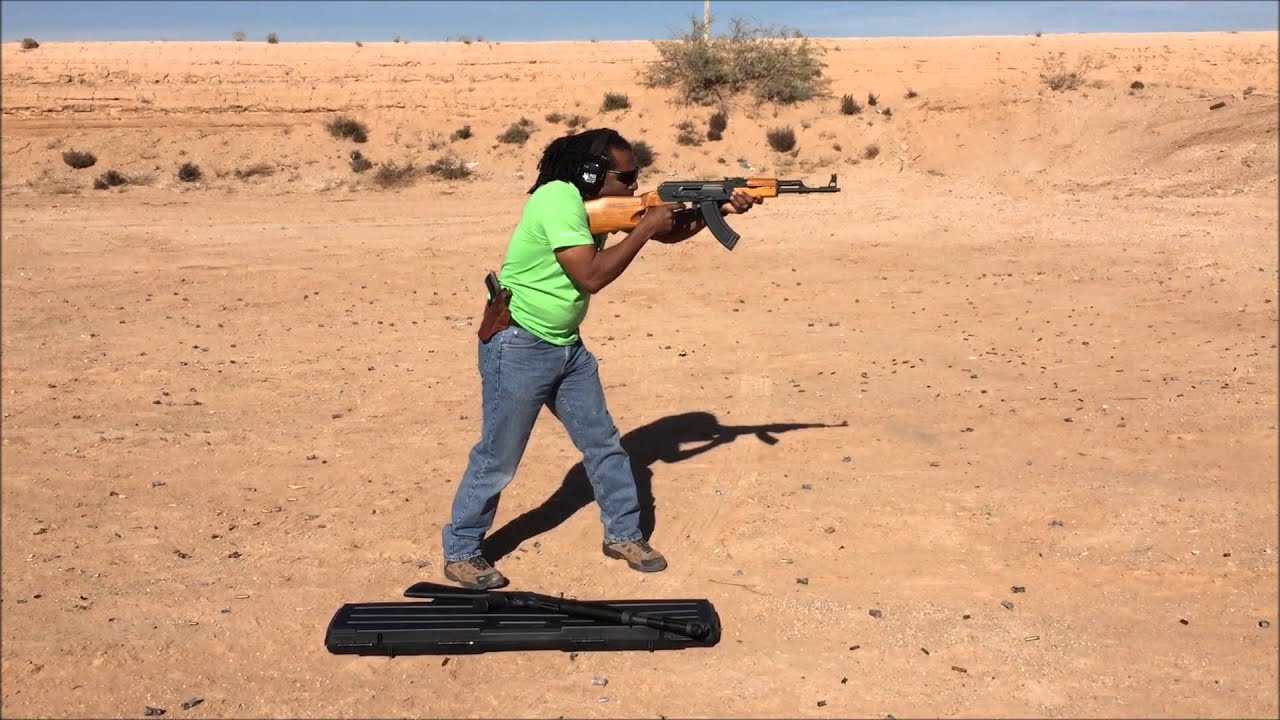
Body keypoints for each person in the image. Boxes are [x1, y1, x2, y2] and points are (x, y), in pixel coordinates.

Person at [440, 127, 761, 590]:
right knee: (499, 456)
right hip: (519, 344)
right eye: (625, 177)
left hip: (566, 345)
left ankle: (624, 535)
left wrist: (717, 210)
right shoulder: (556, 200)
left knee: (604, 444)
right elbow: (590, 276)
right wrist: (646, 227)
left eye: (636, 175)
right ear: (591, 173)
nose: (634, 184)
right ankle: (461, 551)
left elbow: (665, 232)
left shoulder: (597, 205)